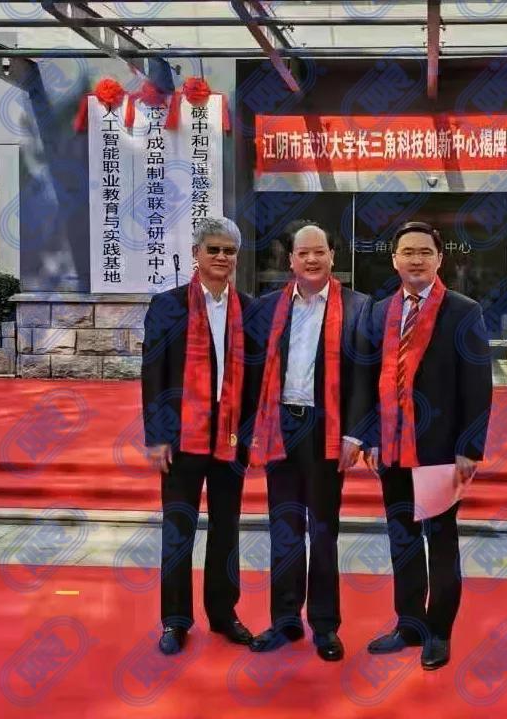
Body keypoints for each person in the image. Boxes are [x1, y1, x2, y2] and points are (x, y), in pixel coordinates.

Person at [353, 221, 493, 670]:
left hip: (439, 448)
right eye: (408, 252)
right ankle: (409, 624)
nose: (416, 259)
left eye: (425, 252)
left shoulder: (463, 311)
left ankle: (439, 632)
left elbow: (477, 384)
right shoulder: (379, 311)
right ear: (394, 259)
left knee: (440, 540)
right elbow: (368, 379)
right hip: (392, 447)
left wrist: (469, 447)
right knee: (403, 539)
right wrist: (370, 437)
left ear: (439, 259)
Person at [246, 223, 370, 662]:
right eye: (303, 253)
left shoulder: (358, 307)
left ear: (332, 256)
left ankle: (325, 625)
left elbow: (364, 376)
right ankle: (285, 619)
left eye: (320, 252)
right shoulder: (266, 308)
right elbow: (251, 372)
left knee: (322, 530)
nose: (312, 260)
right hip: (280, 425)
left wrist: (356, 432)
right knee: (284, 527)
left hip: (326, 429)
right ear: (291, 260)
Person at [141, 217, 255, 655]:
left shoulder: (249, 309)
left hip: (230, 439)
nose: (222, 257)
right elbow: (154, 374)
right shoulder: (167, 306)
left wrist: (252, 433)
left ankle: (224, 614)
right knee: (178, 530)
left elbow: (257, 379)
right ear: (196, 253)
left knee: (227, 529)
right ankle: (175, 620)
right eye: (214, 249)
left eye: (229, 251)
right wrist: (156, 436)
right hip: (181, 439)